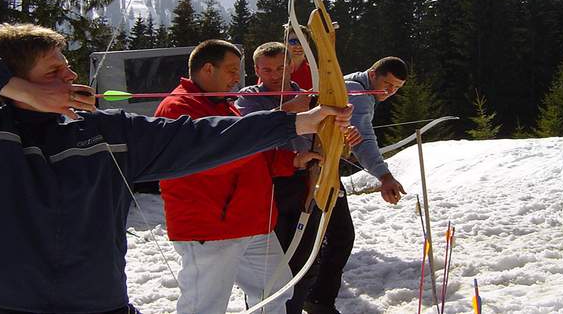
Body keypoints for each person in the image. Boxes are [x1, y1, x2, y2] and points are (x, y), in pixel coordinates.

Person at [0, 24, 352, 314]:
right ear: (17, 79)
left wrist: (296, 122)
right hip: (16, 301)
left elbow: (201, 138)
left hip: (99, 299)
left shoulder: (108, 130)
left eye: (67, 67)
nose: (69, 76)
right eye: (54, 70)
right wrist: (21, 91)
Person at [154, 40, 322, 314]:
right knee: (204, 306)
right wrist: (285, 115)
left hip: (251, 221)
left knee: (275, 291)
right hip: (211, 225)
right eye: (232, 69)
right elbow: (213, 156)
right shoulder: (179, 107)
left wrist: (293, 159)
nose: (237, 78)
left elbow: (252, 150)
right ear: (208, 68)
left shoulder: (222, 104)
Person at [236, 42, 362, 314]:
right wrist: (290, 109)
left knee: (306, 261)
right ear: (256, 69)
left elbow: (328, 136)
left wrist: (344, 137)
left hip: (308, 180)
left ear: (291, 67)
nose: (275, 74)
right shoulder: (249, 97)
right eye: (267, 69)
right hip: (270, 186)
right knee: (271, 265)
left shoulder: (309, 97)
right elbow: (246, 132)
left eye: (281, 67)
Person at [303, 57, 409, 314]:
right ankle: (317, 301)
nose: (389, 92)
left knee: (320, 235)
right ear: (373, 74)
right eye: (387, 84)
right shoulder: (359, 94)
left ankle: (309, 297)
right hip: (317, 170)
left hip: (315, 166)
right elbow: (364, 140)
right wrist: (384, 176)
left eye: (396, 88)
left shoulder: (350, 84)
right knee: (338, 236)